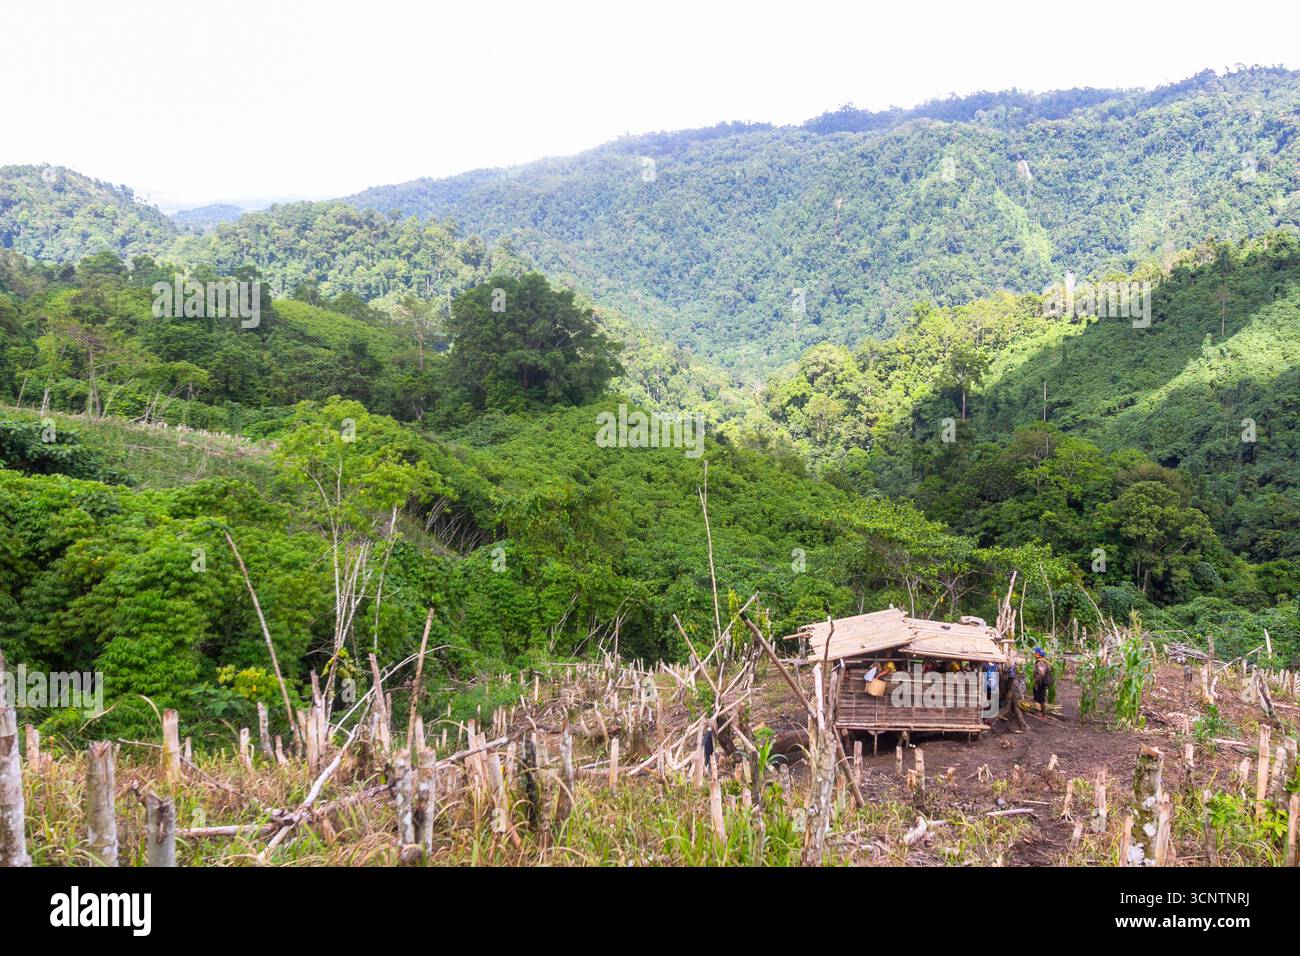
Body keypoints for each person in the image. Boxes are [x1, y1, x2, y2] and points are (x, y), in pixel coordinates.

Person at [1031, 647, 1054, 718]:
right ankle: (1042, 713)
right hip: (1043, 682)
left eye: (1035, 652)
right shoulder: (1045, 661)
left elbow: (1041, 673)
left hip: (1041, 683)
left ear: (1038, 654)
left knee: (1041, 698)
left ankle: (1044, 715)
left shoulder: (1040, 662)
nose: (1034, 654)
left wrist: (1036, 681)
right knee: (1040, 697)